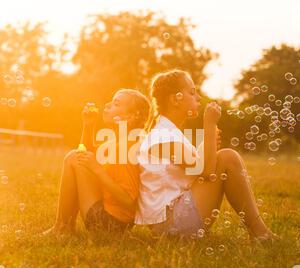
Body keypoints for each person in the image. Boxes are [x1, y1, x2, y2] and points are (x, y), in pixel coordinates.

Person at [135, 69, 278, 241]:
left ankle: (260, 232)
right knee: (228, 157)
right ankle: (261, 233)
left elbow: (198, 167)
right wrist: (209, 125)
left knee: (224, 156)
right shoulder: (161, 137)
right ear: (175, 100)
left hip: (174, 218)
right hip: (171, 225)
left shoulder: (169, 133)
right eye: (192, 92)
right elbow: (207, 171)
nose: (198, 98)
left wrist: (207, 144)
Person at [43, 89, 151, 235]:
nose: (108, 105)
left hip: (110, 224)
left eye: (116, 104)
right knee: (75, 157)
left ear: (130, 117)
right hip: (109, 218)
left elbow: (129, 201)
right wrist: (88, 125)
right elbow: (85, 154)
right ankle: (64, 226)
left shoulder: (126, 147)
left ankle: (62, 227)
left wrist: (97, 169)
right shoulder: (117, 142)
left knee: (73, 157)